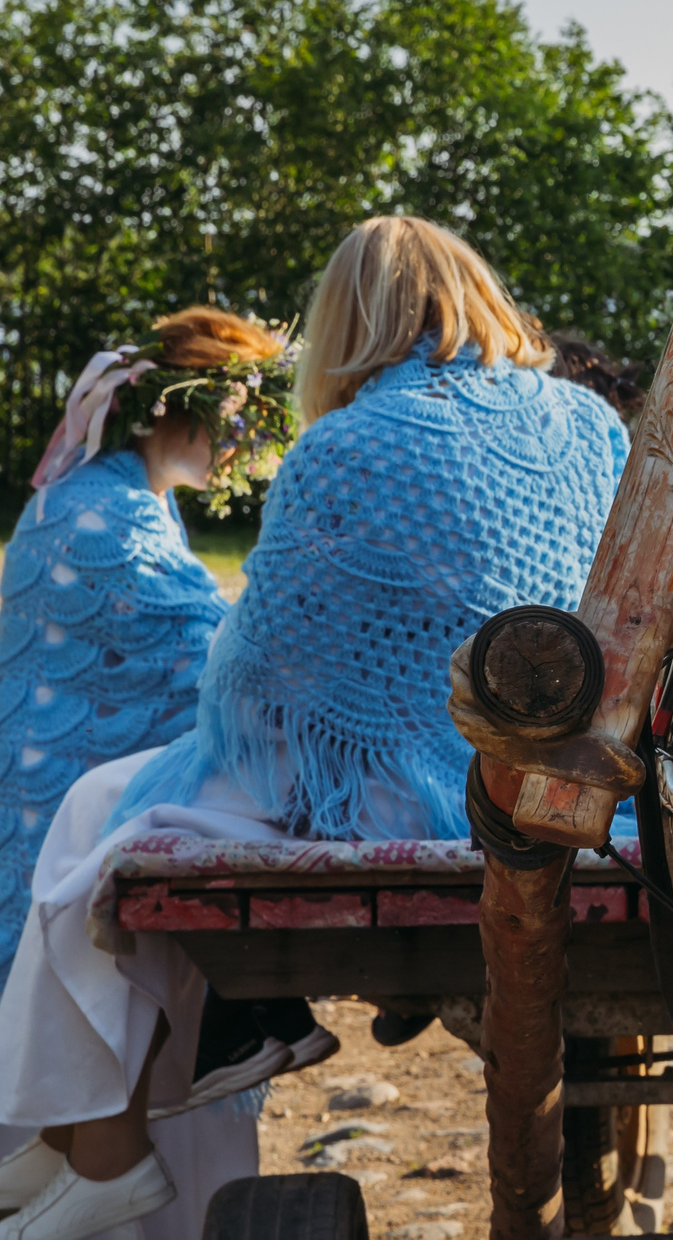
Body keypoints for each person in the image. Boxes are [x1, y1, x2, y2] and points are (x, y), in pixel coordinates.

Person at [0, 218, 629, 1240]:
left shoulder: (346, 444)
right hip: (566, 785)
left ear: (351, 321)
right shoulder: (590, 426)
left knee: (91, 816)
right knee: (107, 820)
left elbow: (260, 675)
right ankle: (86, 1144)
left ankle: (98, 1145)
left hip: (394, 792)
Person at [1, 310, 293, 973]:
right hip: (48, 812)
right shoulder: (103, 514)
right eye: (234, 418)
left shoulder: (116, 496)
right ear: (172, 409)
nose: (240, 441)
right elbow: (213, 662)